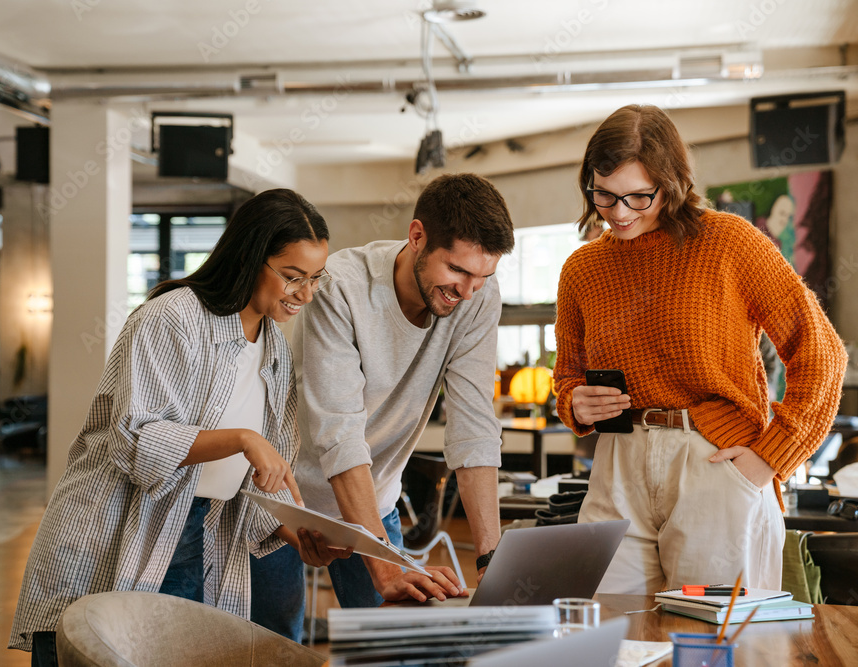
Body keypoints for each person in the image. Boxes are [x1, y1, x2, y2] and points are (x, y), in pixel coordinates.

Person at [9, 189, 350, 665]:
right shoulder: (173, 318)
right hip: (116, 524)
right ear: (251, 256)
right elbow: (136, 440)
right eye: (293, 277)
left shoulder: (274, 347)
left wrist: (297, 534)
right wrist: (243, 440)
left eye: (315, 278)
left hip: (202, 527)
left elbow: (269, 468)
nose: (306, 294)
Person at [554, 104, 848, 595]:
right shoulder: (582, 269)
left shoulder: (728, 242)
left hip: (714, 461)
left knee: (713, 644)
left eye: (638, 197)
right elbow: (567, 375)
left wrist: (770, 458)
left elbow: (822, 355)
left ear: (671, 183)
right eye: (603, 194)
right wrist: (573, 402)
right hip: (616, 466)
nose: (619, 212)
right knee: (609, 633)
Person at [251, 173, 515, 617]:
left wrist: (491, 559)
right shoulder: (340, 287)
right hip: (286, 503)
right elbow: (340, 433)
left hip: (374, 501)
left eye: (483, 277)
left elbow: (474, 428)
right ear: (417, 237)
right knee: (276, 648)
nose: (468, 292)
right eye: (457, 270)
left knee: (394, 649)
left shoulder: (476, 300)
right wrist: (385, 568)